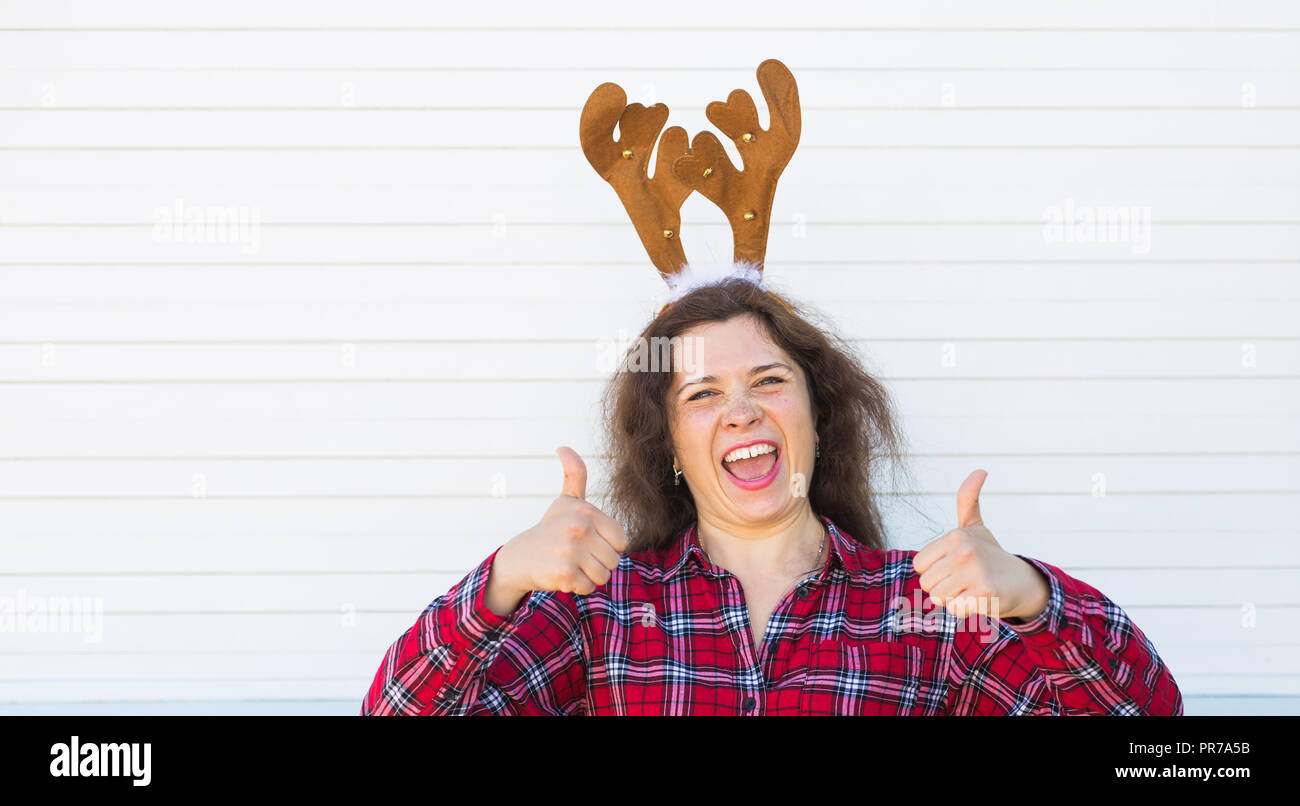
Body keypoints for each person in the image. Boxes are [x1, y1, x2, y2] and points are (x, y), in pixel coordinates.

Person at [359, 59, 1184, 715]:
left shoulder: (927, 608)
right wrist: (501, 580)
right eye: (701, 394)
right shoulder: (595, 614)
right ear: (669, 444)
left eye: (767, 380)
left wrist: (1034, 601)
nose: (742, 411)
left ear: (820, 413)